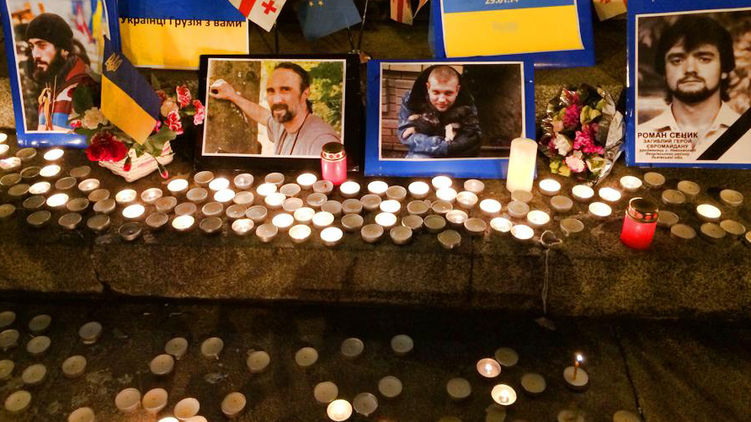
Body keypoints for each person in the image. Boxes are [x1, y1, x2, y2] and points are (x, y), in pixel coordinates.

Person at [639, 15, 751, 162]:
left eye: (704, 59)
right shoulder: (639, 139)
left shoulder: (748, 136)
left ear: (724, 68)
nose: (690, 69)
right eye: (677, 60)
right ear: (664, 72)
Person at [210, 62, 341, 156]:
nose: (277, 100)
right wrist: (232, 96)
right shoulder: (282, 124)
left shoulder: (320, 141)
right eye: (271, 91)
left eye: (285, 90)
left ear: (305, 94)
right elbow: (263, 115)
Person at [25, 13, 98, 132]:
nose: (35, 54)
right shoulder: (50, 84)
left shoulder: (82, 88)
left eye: (42, 45)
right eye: (32, 46)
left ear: (64, 50)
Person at [397, 65, 481, 158]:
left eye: (448, 93)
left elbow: (473, 136)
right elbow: (406, 135)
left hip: (457, 153)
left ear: (457, 90)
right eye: (436, 92)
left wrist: (451, 147)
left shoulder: (466, 102)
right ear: (428, 87)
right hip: (424, 152)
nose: (442, 100)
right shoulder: (412, 99)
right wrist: (443, 146)